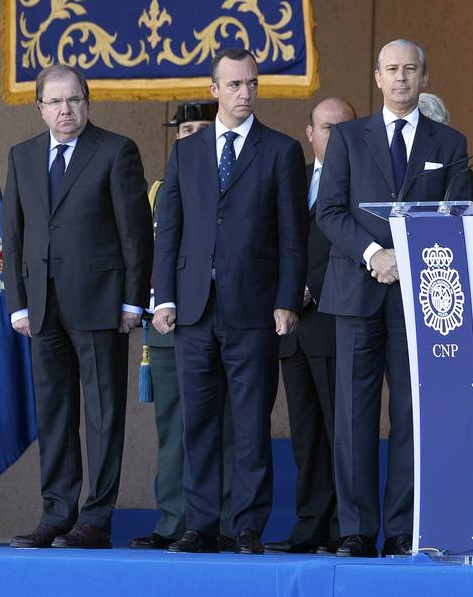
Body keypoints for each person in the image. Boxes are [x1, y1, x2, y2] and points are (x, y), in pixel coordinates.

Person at [152, 47, 308, 555]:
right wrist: (164, 297)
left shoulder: (281, 151)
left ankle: (245, 525)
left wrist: (287, 300)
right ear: (214, 89)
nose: (245, 93)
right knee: (196, 421)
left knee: (250, 423)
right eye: (235, 85)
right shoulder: (188, 152)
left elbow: (292, 235)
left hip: (255, 309)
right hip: (195, 308)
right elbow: (169, 231)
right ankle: (201, 522)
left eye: (252, 84)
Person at [317, 39, 469, 558]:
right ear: (376, 78)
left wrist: (414, 257)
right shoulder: (347, 138)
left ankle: (404, 529)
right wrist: (374, 254)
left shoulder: (449, 143)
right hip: (358, 291)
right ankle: (355, 530)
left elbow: (459, 212)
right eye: (391, 70)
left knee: (410, 415)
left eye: (410, 70)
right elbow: (329, 210)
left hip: (422, 298)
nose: (401, 78)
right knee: (354, 417)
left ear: (424, 78)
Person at [1, 64, 152, 549]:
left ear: (87, 102)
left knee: (103, 414)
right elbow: (14, 234)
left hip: (102, 304)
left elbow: (135, 232)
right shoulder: (22, 156)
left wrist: (133, 300)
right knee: (54, 413)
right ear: (40, 107)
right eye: (56, 102)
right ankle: (57, 514)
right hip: (42, 307)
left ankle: (96, 518)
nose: (66, 110)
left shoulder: (115, 150)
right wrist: (17, 303)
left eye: (74, 100)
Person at [130, 100, 239, 552]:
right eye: (185, 128)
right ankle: (174, 520)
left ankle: (228, 523)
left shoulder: (231, 181)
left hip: (224, 316)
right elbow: (146, 250)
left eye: (201, 127)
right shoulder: (156, 190)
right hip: (168, 321)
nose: (192, 135)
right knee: (173, 425)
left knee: (230, 424)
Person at [268, 97, 355, 555]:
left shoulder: (362, 182)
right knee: (305, 434)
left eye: (343, 128)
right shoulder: (294, 176)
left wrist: (312, 289)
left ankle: (346, 528)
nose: (334, 136)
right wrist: (287, 293)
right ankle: (310, 527)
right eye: (326, 128)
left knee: (342, 433)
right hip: (291, 329)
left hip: (335, 321)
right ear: (309, 133)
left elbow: (359, 248)